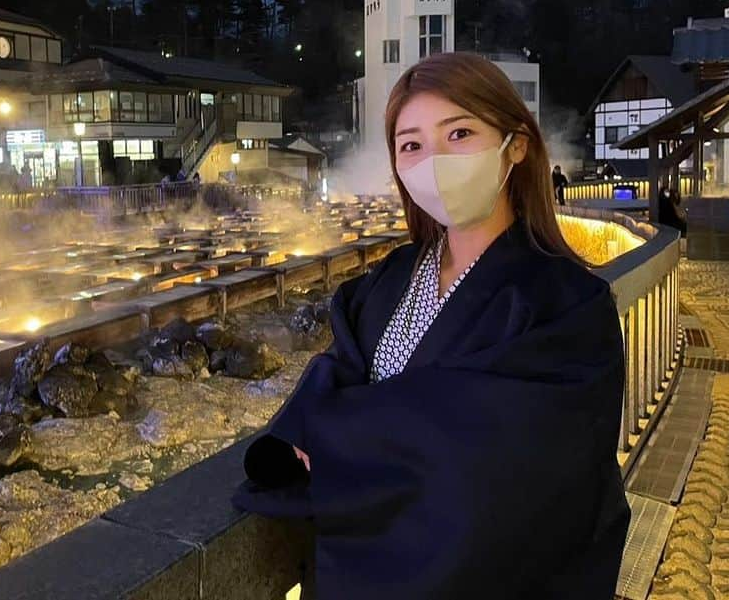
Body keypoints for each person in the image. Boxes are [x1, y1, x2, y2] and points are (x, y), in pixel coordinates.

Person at [233, 53, 629, 599]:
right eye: (412, 145)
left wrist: (335, 434)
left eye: (459, 133)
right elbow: (339, 369)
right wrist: (314, 430)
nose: (433, 162)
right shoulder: (390, 278)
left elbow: (510, 455)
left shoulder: (569, 304)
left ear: (516, 145)